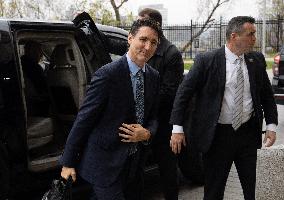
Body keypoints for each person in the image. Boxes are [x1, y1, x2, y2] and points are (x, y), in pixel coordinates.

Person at [170, 16, 278, 200]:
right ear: (234, 36)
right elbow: (183, 94)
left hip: (247, 135)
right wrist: (177, 128)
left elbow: (267, 96)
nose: (255, 38)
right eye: (251, 34)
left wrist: (271, 126)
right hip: (217, 137)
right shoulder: (207, 60)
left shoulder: (256, 60)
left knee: (252, 190)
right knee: (214, 191)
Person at [60, 19, 162, 200]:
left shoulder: (153, 77)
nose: (147, 46)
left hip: (134, 164)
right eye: (143, 39)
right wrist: (68, 162)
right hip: (104, 164)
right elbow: (84, 119)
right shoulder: (107, 74)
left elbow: (154, 117)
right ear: (130, 38)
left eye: (153, 42)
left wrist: (147, 134)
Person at [138, 8, 184, 200]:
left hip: (163, 123)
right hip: (141, 121)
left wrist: (139, 101)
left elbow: (168, 92)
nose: (139, 25)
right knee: (136, 171)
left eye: (142, 21)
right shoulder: (140, 46)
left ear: (155, 25)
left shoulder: (171, 53)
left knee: (167, 171)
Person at [21, 40, 49, 116]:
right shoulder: (34, 67)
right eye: (39, 51)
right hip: (35, 101)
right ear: (33, 51)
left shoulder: (20, 62)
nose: (41, 54)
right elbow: (43, 87)